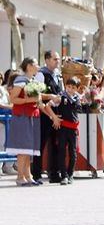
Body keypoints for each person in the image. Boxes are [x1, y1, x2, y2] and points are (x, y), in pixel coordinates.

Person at [7, 58, 59, 186]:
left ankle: (28, 176)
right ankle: (20, 177)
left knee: (29, 148)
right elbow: (13, 99)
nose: (38, 66)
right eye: (36, 64)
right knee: (23, 148)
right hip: (22, 116)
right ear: (29, 66)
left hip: (33, 116)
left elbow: (39, 104)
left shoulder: (33, 81)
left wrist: (51, 116)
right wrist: (28, 100)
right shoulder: (20, 80)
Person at [32, 50, 63, 183]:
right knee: (41, 144)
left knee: (56, 144)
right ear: (47, 60)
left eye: (58, 59)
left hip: (56, 112)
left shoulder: (57, 75)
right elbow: (35, 94)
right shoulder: (41, 74)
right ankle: (36, 173)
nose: (58, 61)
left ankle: (54, 173)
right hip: (44, 114)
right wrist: (50, 96)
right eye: (55, 59)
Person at [54, 77, 83, 185]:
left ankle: (70, 174)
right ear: (65, 86)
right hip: (63, 128)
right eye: (68, 87)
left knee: (73, 152)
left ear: (77, 88)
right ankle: (63, 175)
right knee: (61, 151)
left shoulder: (77, 98)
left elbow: (79, 109)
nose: (70, 89)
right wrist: (54, 117)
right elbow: (48, 105)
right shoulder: (61, 96)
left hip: (73, 129)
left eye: (73, 87)